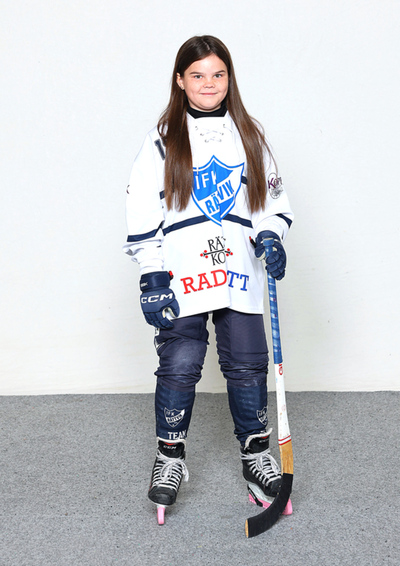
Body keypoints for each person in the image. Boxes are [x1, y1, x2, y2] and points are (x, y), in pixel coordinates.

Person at [123, 35, 294, 521]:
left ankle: (256, 455)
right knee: (179, 364)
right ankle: (170, 458)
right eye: (197, 75)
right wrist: (152, 274)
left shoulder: (250, 135)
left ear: (229, 78)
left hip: (238, 268)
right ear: (180, 81)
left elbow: (272, 202)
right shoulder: (162, 140)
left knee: (247, 364)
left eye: (218, 74)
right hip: (182, 271)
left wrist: (271, 235)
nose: (208, 83)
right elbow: (143, 208)